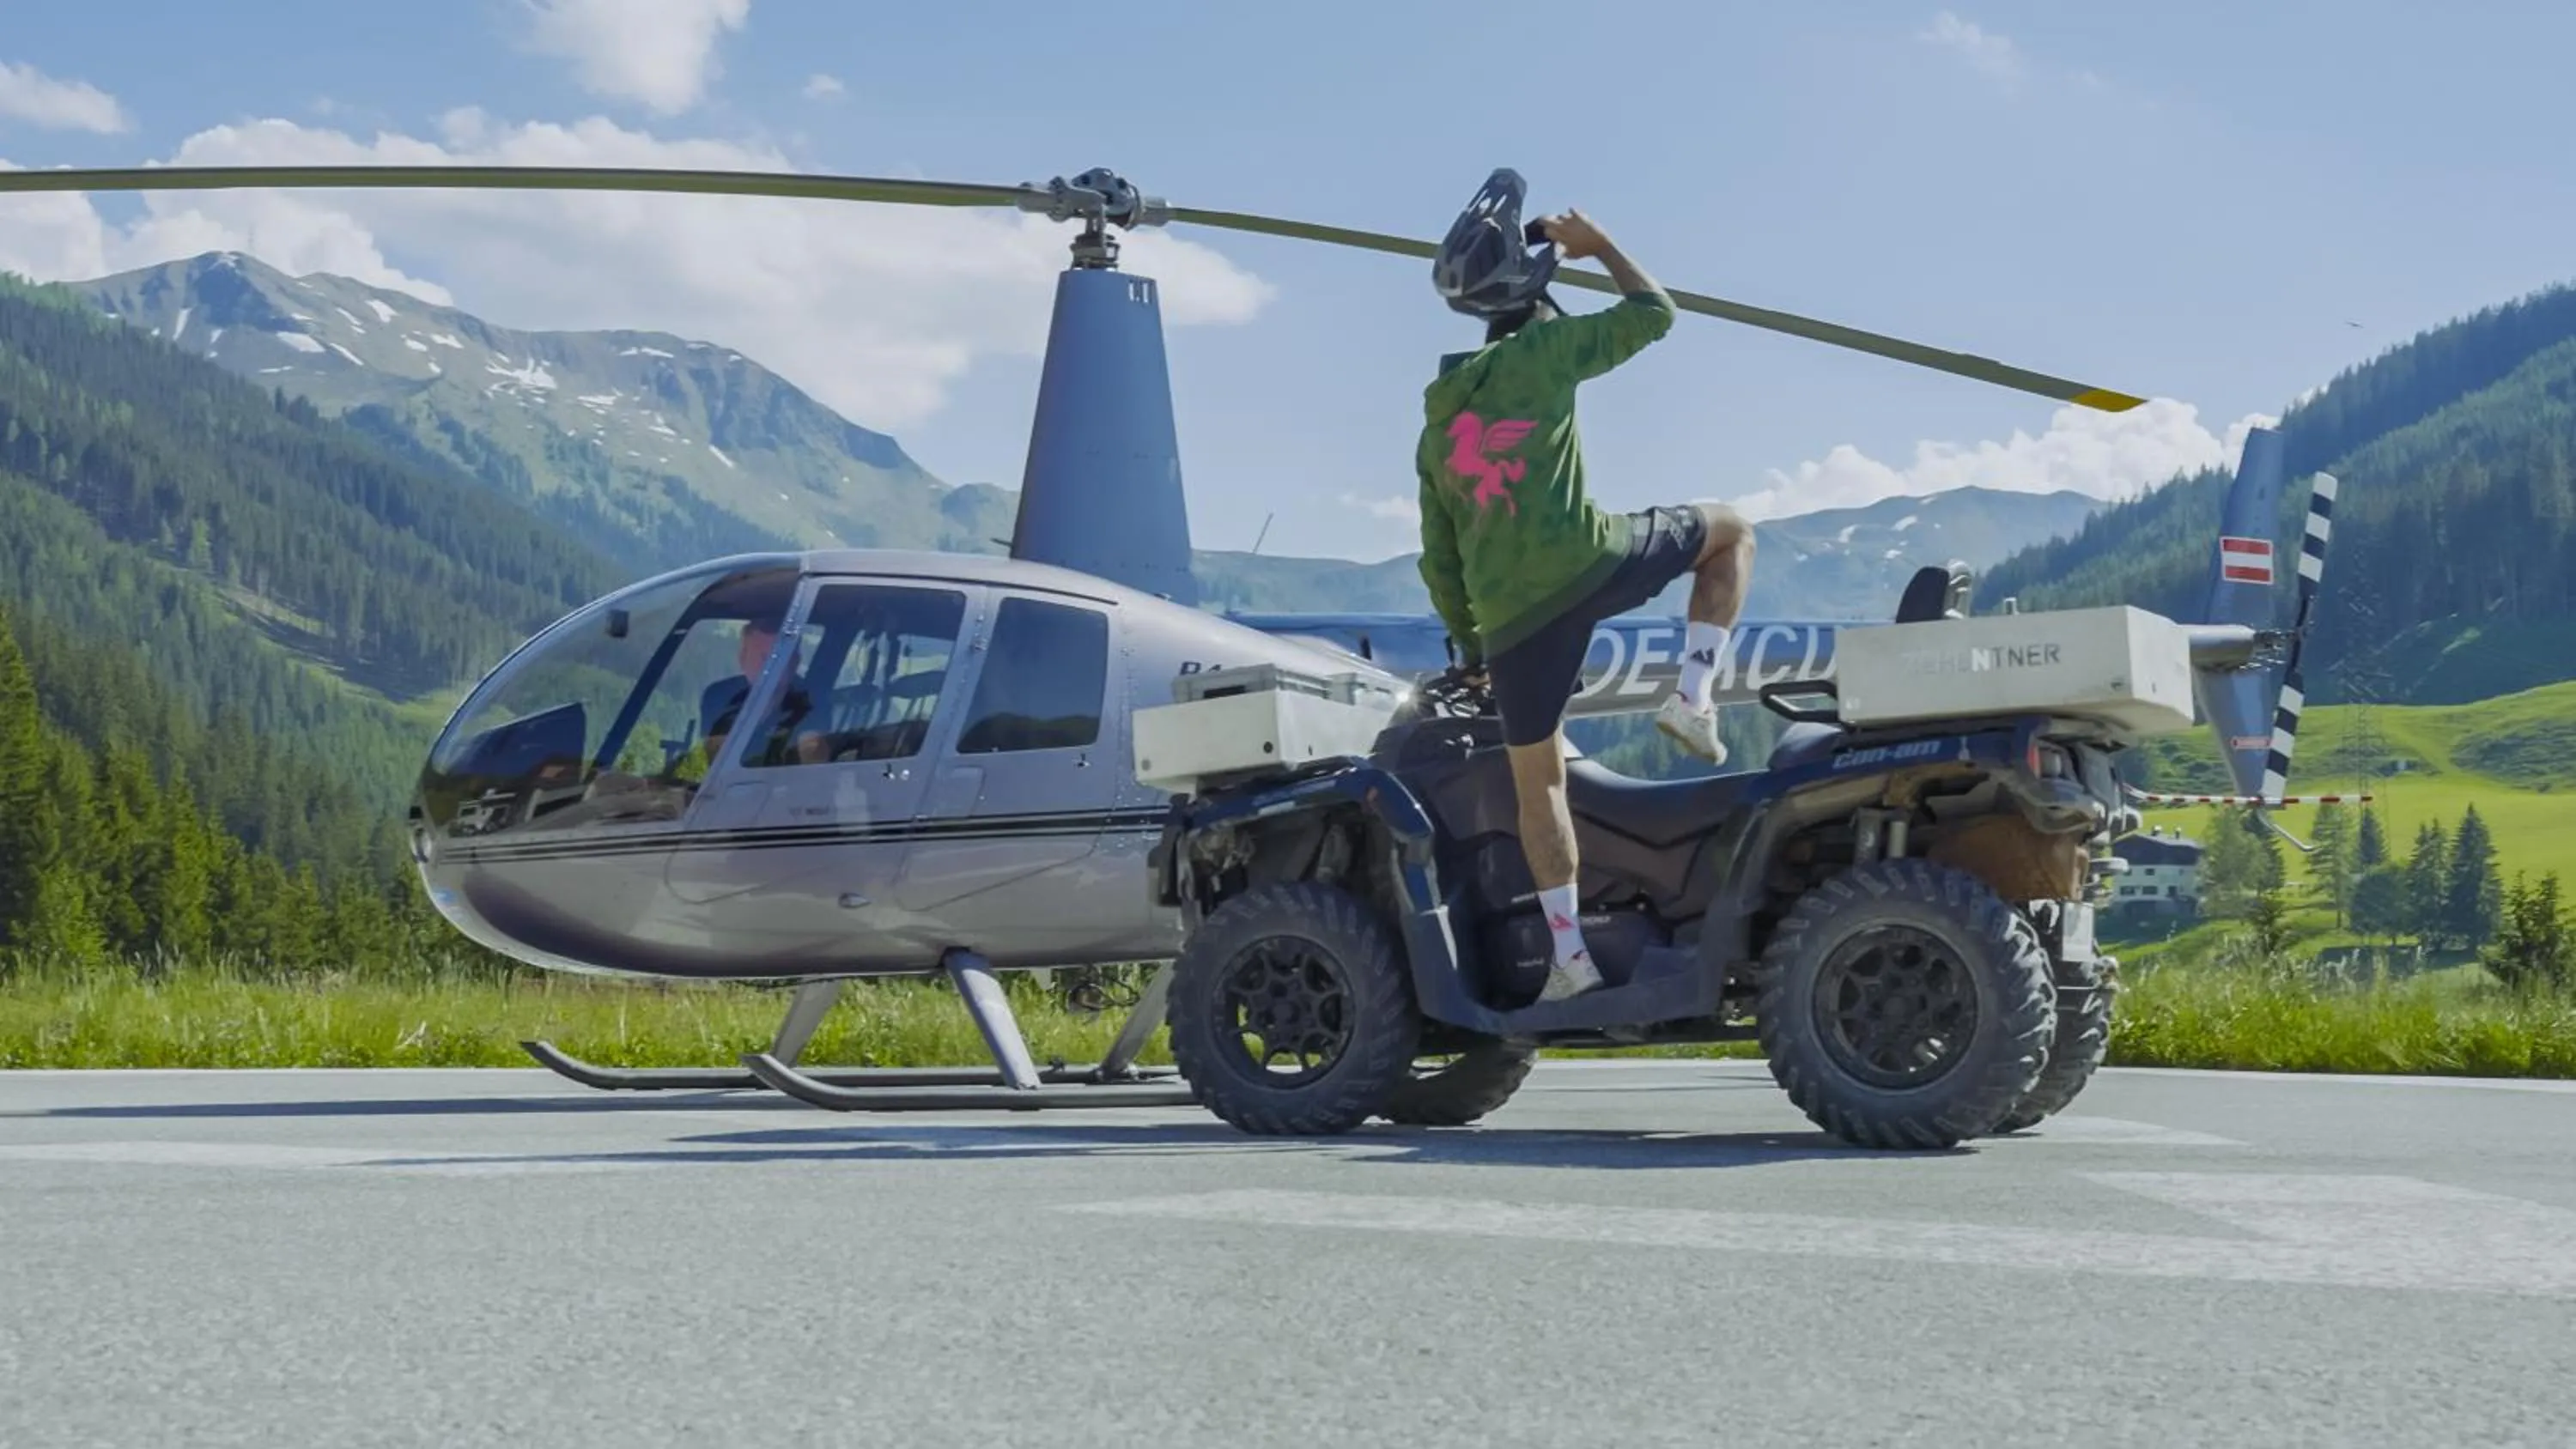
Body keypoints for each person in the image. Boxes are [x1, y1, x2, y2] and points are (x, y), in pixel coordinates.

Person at [1417, 172, 1756, 1002]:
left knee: (1544, 789)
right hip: (1590, 558)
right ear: (1537, 301)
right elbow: (1655, 316)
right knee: (1733, 530)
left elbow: (1441, 560)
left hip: (1509, 620)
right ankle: (1693, 698)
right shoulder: (1544, 351)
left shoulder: (1436, 429)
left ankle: (1567, 958)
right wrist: (1599, 246)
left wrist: (1474, 650)